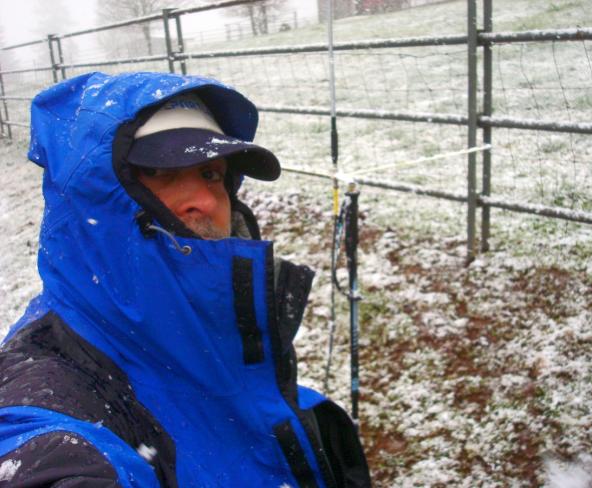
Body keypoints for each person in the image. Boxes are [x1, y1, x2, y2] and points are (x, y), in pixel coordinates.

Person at [0, 72, 371, 487]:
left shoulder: (221, 330)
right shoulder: (49, 390)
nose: (207, 201)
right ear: (97, 197)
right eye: (161, 170)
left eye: (212, 174)